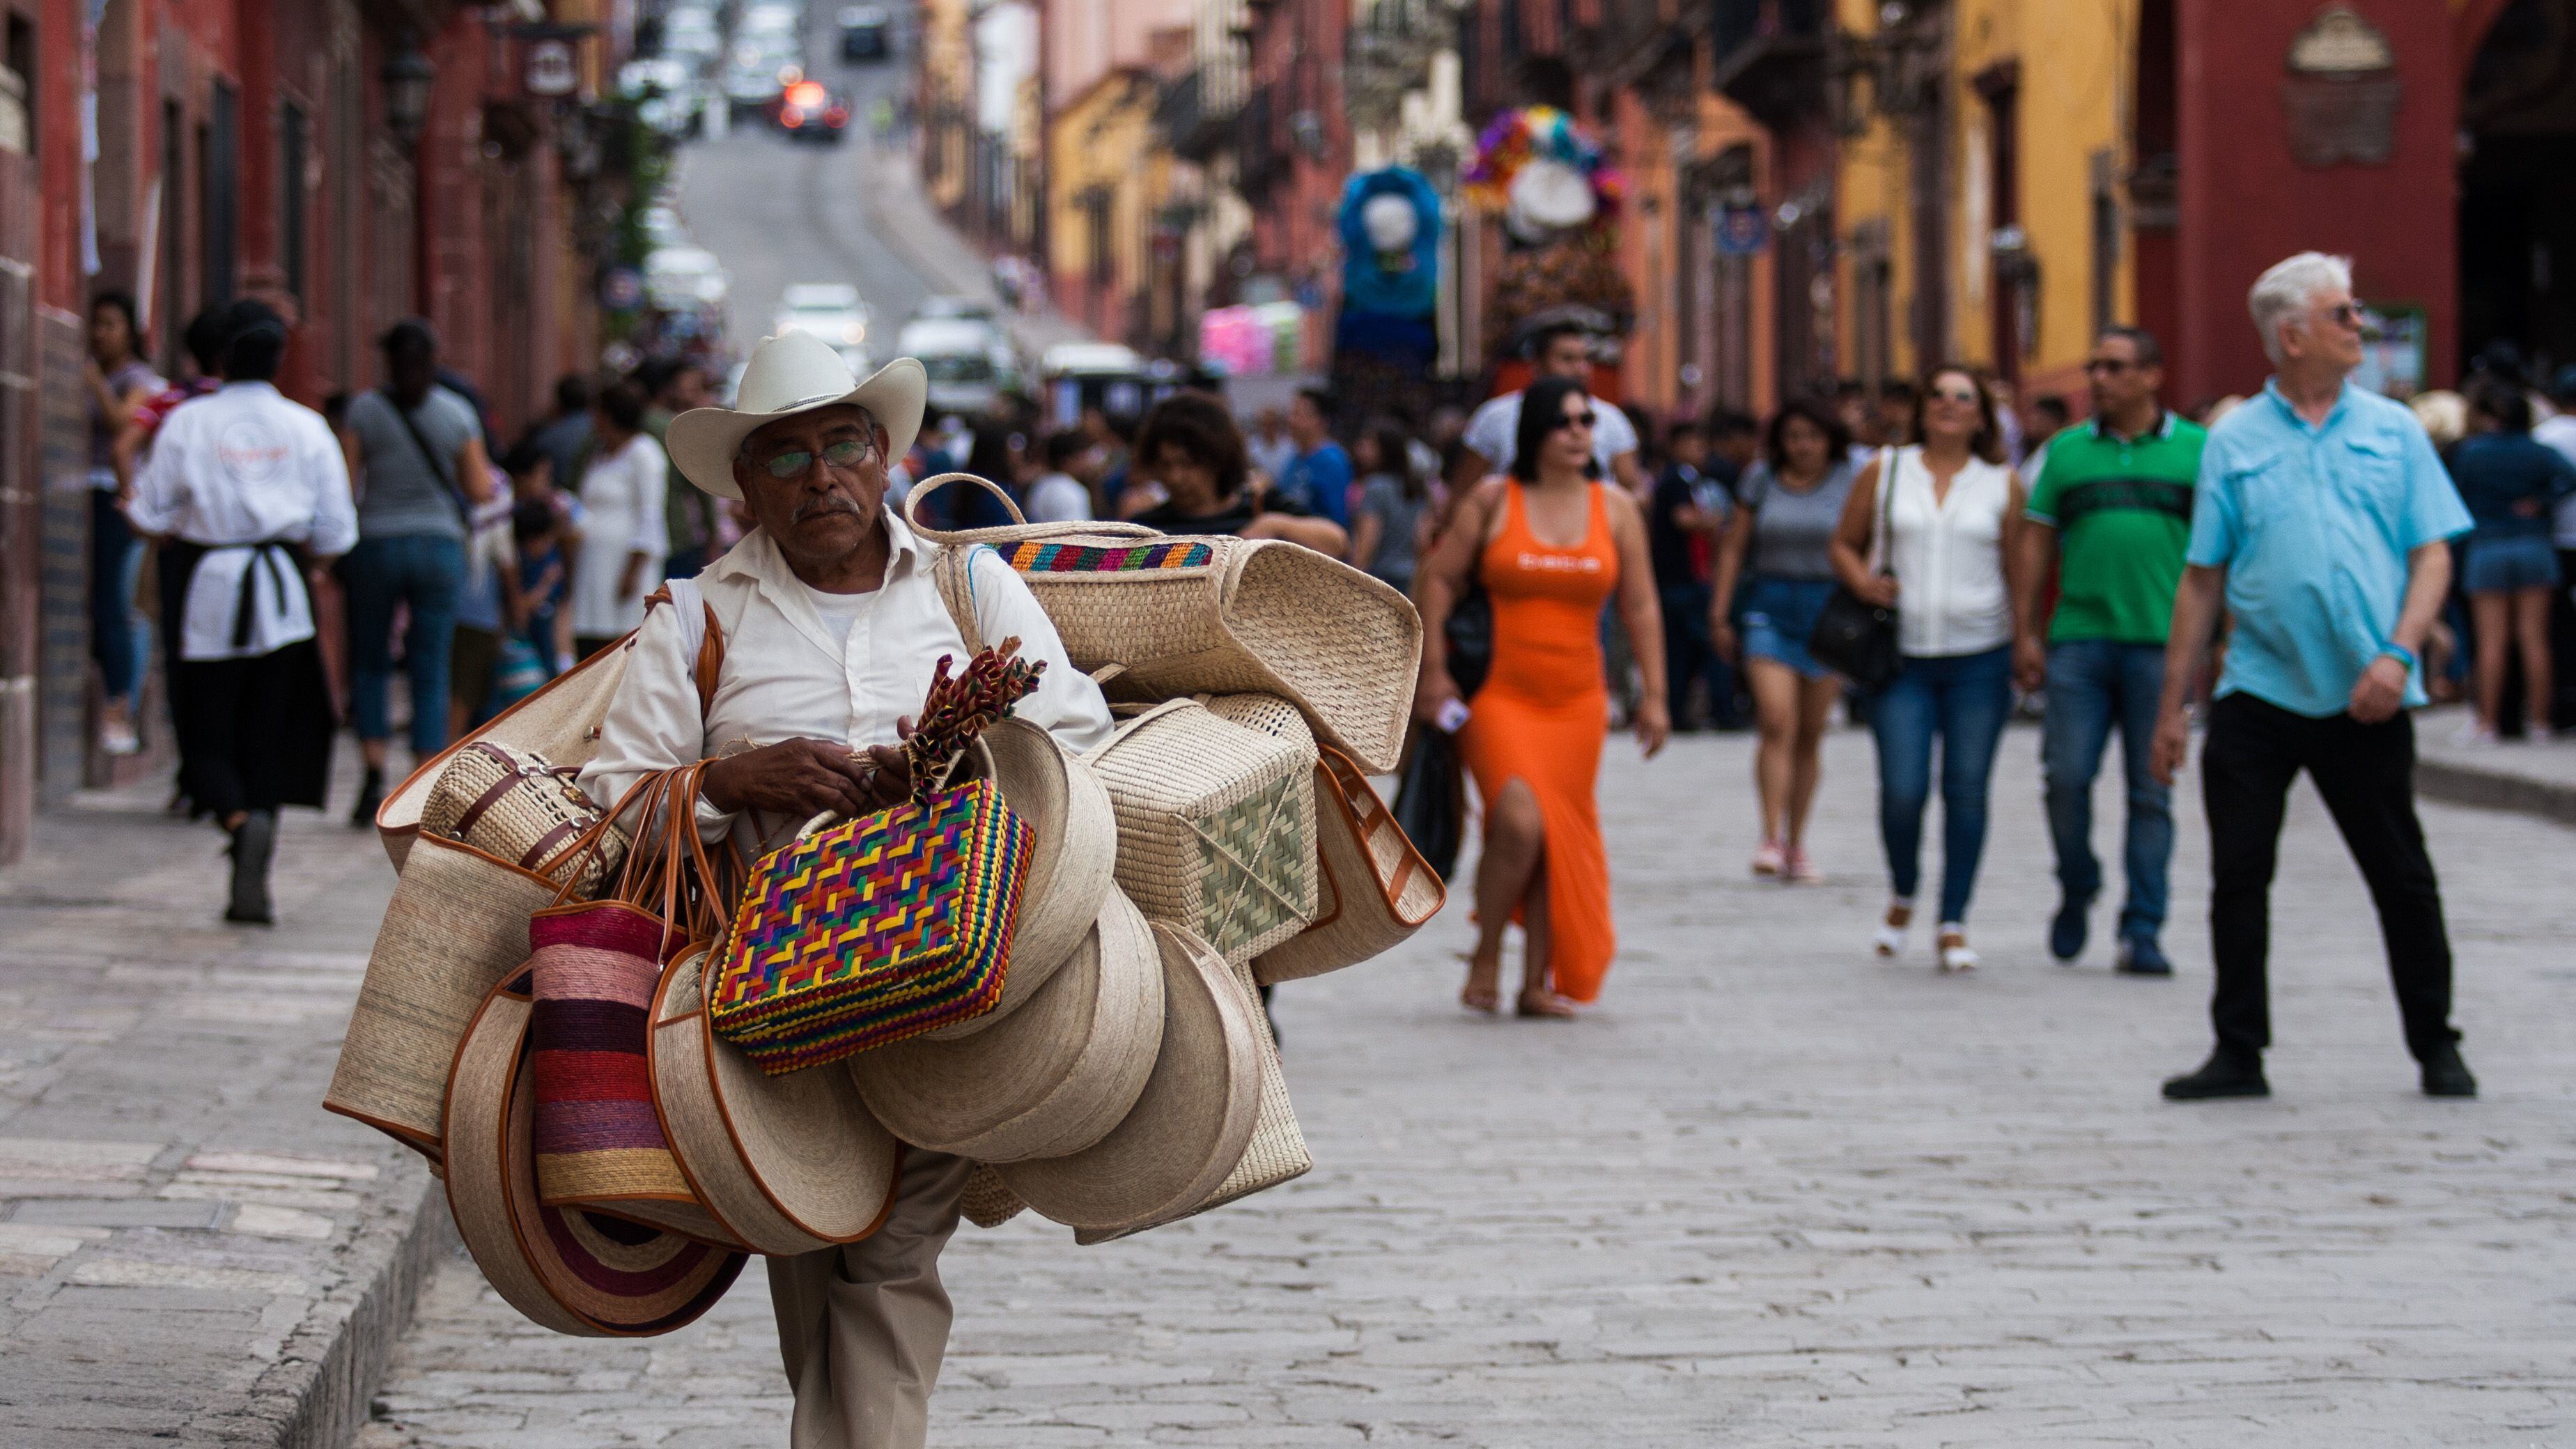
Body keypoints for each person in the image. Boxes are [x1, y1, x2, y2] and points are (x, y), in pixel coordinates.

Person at [582, 332, 1112, 1449]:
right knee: (812, 1241)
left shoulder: (972, 588)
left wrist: (945, 767)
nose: (820, 477)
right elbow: (612, 806)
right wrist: (730, 778)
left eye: (842, 446)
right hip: (769, 1000)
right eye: (786, 457)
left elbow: (1074, 738)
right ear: (744, 485)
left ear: (884, 457)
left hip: (947, 982)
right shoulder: (695, 617)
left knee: (890, 1251)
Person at [2150, 250, 2477, 1101]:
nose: (2357, 327)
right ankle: (2237, 1051)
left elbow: (2430, 553)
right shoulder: (2231, 440)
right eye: (2341, 314)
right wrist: (2170, 706)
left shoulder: (2392, 429)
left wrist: (2397, 654)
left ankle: (2434, 1042)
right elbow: (2201, 575)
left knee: (2399, 874)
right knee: (2237, 878)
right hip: (2257, 690)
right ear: (2289, 335)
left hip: (2365, 695)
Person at [1413, 375, 1668, 1018]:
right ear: (1536, 432)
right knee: (1520, 821)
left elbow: (1640, 605)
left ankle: (1537, 983)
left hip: (1579, 700)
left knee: (1558, 832)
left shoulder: (1615, 507)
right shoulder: (1495, 499)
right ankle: (1488, 951)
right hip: (1499, 693)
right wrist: (1434, 673)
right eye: (1567, 421)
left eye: (1589, 421)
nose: (1583, 432)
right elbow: (1438, 582)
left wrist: (1656, 697)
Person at [125, 300, 355, 922]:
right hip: (283, 594)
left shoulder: (190, 422)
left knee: (203, 726)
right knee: (268, 734)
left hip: (210, 587)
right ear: (280, 362)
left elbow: (148, 512)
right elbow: (336, 532)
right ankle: (259, 838)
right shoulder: (308, 428)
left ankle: (233, 818)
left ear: (224, 359)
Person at [2012, 326, 2208, 976]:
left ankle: (2143, 926)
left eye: (2115, 367)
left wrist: (2223, 640)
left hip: (2163, 647)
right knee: (2066, 778)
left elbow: (2218, 559)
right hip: (2079, 643)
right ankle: (2078, 881)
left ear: (2152, 376)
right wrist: (2025, 631)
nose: (2098, 378)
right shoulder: (2065, 455)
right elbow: (2036, 544)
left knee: (2152, 790)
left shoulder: (2197, 452)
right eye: (2094, 366)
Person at [1831, 366, 2032, 973]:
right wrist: (1863, 581)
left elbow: (2020, 569)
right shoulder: (1886, 470)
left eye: (1962, 398)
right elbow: (1844, 541)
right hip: (1903, 656)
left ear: (1982, 416)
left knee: (1967, 789)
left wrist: (2027, 640)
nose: (1948, 406)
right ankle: (1903, 890)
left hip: (1981, 653)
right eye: (1938, 396)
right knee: (1903, 788)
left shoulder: (2002, 484)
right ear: (1920, 409)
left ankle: (1953, 919)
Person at [339, 318, 496, 823]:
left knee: (370, 662)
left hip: (377, 544)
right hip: (438, 548)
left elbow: (347, 483)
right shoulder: (457, 413)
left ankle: (370, 774)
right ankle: (419, 788)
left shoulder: (364, 410)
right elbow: (478, 489)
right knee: (431, 664)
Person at [1708, 398, 1860, 881]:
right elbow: (1734, 548)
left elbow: (1868, 540)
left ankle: (1798, 842)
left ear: (1829, 440)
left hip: (1829, 610)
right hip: (1769, 606)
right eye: (1794, 437)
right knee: (1777, 720)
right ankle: (1770, 835)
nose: (1803, 446)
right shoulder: (1761, 479)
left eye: (1812, 437)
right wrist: (1720, 612)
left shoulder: (1852, 478)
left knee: (1810, 733)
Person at [2445, 379, 2576, 745]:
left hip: (2487, 547)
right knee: (2534, 639)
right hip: (2533, 545)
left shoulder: (2473, 452)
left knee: (2491, 642)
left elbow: (2455, 495)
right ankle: (2541, 723)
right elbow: (2570, 479)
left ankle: (2487, 724)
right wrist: (2541, 502)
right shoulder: (2536, 450)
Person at [85, 291, 164, 756]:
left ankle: (123, 704)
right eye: (96, 324)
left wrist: (94, 381)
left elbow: (123, 428)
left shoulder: (141, 380)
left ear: (131, 331)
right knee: (103, 602)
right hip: (91, 494)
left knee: (120, 603)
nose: (100, 334)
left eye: (110, 324)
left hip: (122, 501)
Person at [1126, 393, 1347, 554]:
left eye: (1189, 465)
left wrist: (1278, 525)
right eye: (1166, 465)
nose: (1176, 477)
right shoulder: (1148, 530)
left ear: (1218, 460)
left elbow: (1337, 542)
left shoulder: (1259, 508)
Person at [1452, 321, 1645, 495]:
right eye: (1568, 359)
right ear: (1537, 365)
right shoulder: (1495, 417)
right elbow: (1464, 491)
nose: (1581, 369)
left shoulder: (1612, 419)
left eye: (1586, 421)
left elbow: (1632, 490)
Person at [569, 380, 671, 661]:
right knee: (591, 644)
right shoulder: (600, 455)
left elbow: (651, 515)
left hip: (623, 567)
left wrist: (633, 571)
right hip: (593, 566)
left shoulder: (644, 453)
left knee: (620, 645)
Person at [1646, 419, 1732, 733]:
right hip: (1683, 580)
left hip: (1679, 580)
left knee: (1681, 650)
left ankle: (1682, 711)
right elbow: (1683, 518)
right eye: (1695, 445)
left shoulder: (1683, 479)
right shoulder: (1678, 480)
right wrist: (1715, 524)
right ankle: (1719, 710)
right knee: (1701, 647)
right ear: (1677, 447)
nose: (1701, 452)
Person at [1349, 420, 1430, 594]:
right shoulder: (1416, 488)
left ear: (1385, 450)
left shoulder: (1374, 487)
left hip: (1379, 578)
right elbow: (1422, 542)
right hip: (1408, 577)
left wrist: (1352, 581)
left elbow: (1367, 543)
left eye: (1370, 444)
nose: (1362, 447)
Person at [1277, 386, 1355, 532]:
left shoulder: (1331, 461)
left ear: (1322, 421)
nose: (1291, 421)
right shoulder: (1293, 460)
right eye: (1291, 414)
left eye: (1298, 414)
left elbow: (1337, 522)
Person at [1024, 431, 1097, 523]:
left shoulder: (1038, 486)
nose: (1087, 463)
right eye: (1082, 457)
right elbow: (1077, 534)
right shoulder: (1073, 491)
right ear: (1067, 460)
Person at [1246, 405, 1296, 488]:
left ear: (1277, 424)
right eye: (1264, 424)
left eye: (1271, 424)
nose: (1267, 428)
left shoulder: (1290, 447)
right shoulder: (1251, 447)